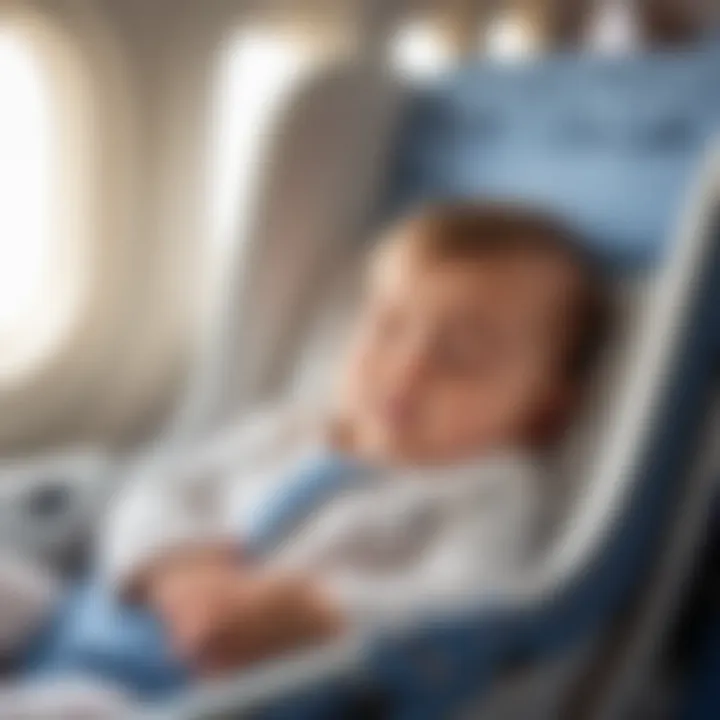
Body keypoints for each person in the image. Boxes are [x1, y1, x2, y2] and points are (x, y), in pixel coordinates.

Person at [0, 201, 610, 717]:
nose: (408, 367)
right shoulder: (296, 428)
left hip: (188, 690)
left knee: (64, 707)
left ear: (544, 412)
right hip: (89, 612)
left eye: (461, 353)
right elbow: (160, 485)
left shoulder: (488, 491)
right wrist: (170, 559)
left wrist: (318, 612)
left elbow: (466, 605)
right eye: (387, 326)